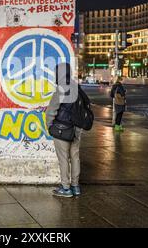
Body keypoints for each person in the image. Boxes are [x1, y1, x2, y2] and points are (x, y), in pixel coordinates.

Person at [46, 63, 82, 198]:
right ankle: (75, 186)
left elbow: (51, 111)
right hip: (76, 129)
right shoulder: (77, 87)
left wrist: (49, 126)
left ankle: (66, 188)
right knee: (75, 157)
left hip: (62, 130)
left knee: (63, 159)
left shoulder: (61, 89)